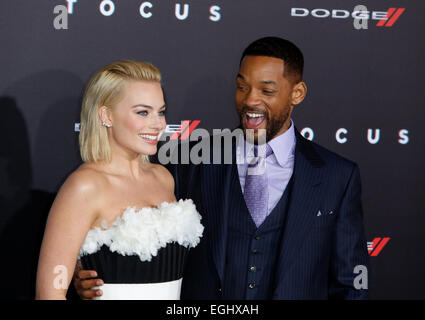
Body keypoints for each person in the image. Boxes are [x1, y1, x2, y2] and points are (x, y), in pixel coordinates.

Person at [74, 37, 369, 300]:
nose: (250, 100)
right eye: (242, 87)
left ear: (297, 93)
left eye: (267, 90)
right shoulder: (188, 160)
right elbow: (117, 210)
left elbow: (350, 284)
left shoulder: (336, 175)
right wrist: (82, 269)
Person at [36, 60, 204, 300]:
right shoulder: (85, 187)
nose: (159, 124)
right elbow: (49, 295)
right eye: (143, 112)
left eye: (161, 111)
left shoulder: (163, 178)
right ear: (106, 115)